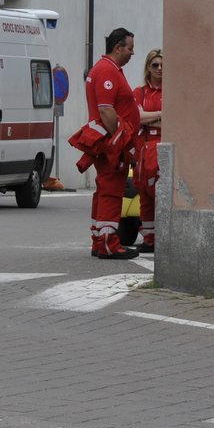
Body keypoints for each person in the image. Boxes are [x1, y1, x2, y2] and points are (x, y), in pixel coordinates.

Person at [74, 27, 141, 259]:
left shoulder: (109, 69)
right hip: (111, 142)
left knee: (105, 189)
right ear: (118, 47)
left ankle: (99, 238)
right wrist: (119, 141)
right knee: (112, 190)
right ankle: (109, 242)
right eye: (130, 48)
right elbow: (106, 110)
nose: (133, 53)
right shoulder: (107, 71)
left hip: (106, 140)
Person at [133, 48, 163, 254]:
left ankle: (163, 235)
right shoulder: (140, 92)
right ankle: (149, 238)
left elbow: (175, 120)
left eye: (163, 65)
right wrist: (160, 114)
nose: (160, 69)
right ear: (148, 67)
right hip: (143, 147)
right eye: (155, 65)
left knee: (159, 191)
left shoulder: (173, 91)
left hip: (163, 145)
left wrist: (148, 118)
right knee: (144, 192)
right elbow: (137, 117)